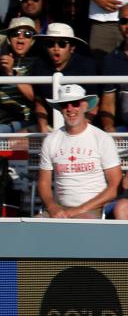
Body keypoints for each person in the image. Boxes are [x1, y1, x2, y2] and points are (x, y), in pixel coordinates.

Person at [37, 85, 121, 219]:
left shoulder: (102, 138)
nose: (70, 109)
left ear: (84, 106)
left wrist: (78, 210)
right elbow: (43, 183)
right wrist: (53, 207)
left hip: (93, 208)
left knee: (80, 226)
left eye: (75, 104)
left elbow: (115, 186)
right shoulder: (51, 140)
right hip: (60, 209)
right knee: (34, 226)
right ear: (60, 109)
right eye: (64, 105)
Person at [27, 23, 110, 132]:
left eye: (62, 44)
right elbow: (40, 102)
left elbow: (94, 104)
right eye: (50, 43)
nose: (56, 48)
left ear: (72, 48)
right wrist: (43, 128)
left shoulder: (87, 65)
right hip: (49, 126)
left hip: (83, 125)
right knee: (14, 142)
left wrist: (82, 127)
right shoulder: (39, 65)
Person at [0, 17, 38, 133]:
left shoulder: (37, 63)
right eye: (15, 33)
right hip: (0, 119)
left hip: (25, 120)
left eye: (27, 34)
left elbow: (34, 96)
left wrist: (12, 74)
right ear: (8, 39)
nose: (21, 37)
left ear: (32, 41)